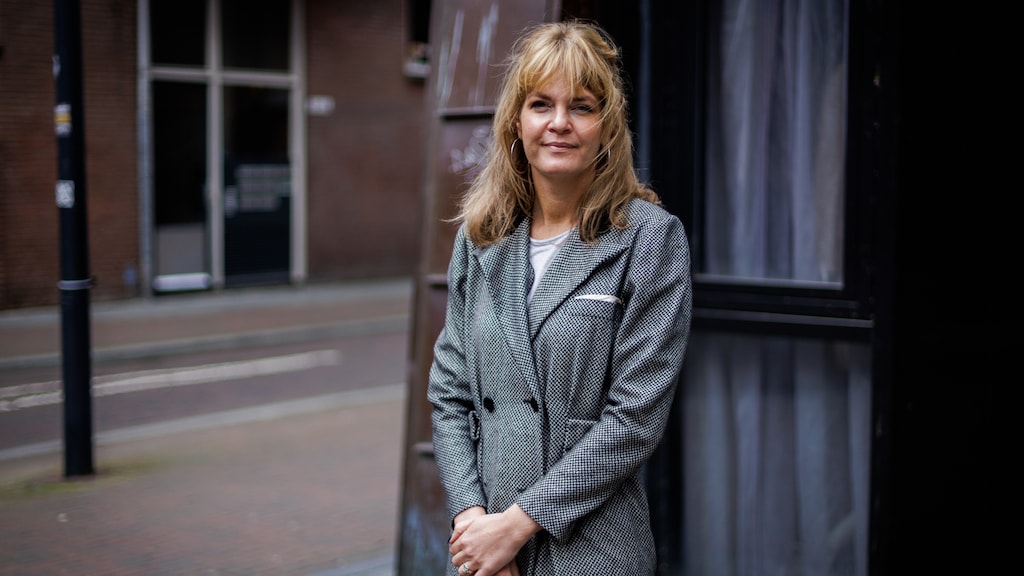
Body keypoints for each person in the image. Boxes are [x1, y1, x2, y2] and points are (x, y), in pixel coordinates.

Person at [427, 19, 692, 576]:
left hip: (592, 552)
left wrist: (517, 524)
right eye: (541, 104)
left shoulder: (648, 238)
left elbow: (633, 420)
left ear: (607, 126)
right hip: (491, 556)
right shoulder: (482, 239)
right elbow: (450, 395)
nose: (560, 124)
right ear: (516, 123)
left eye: (582, 106)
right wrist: (474, 523)